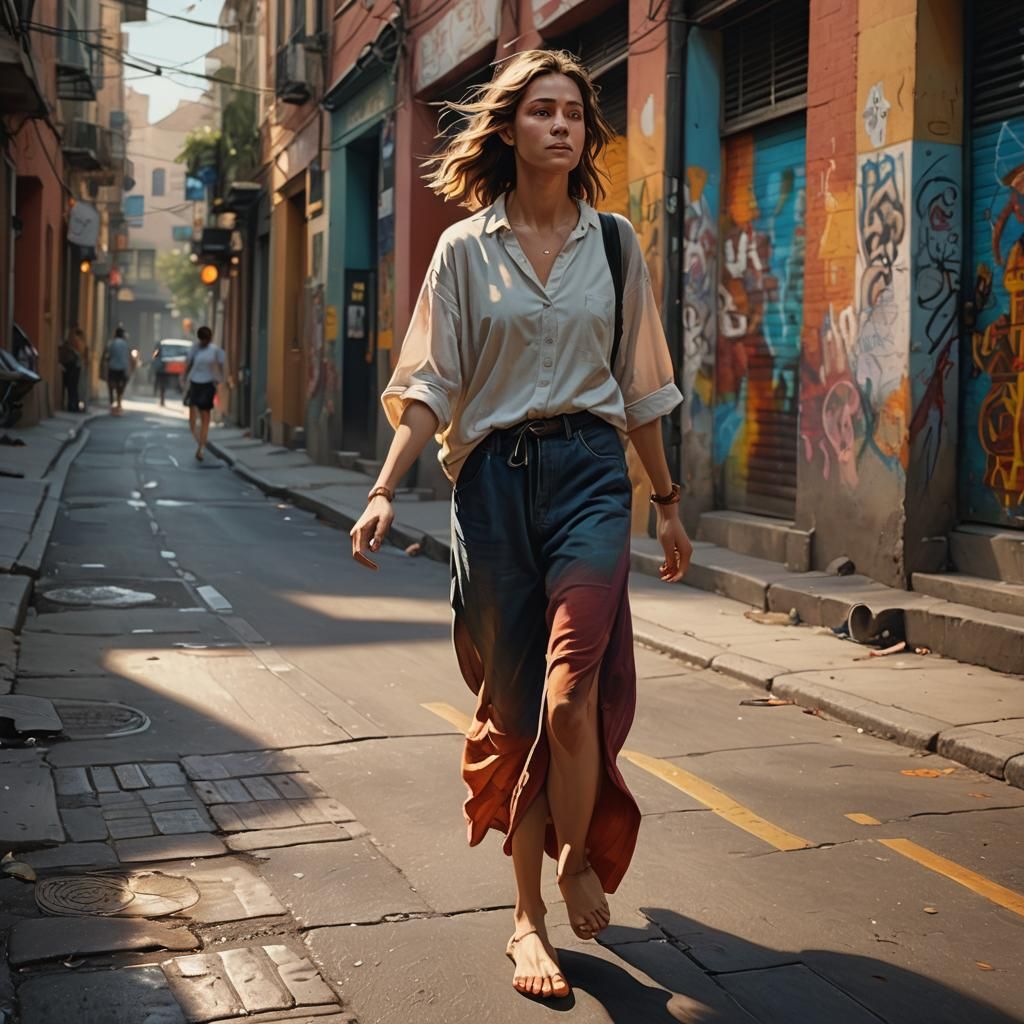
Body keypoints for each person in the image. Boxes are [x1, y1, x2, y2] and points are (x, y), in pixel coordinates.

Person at [348, 50, 693, 1000]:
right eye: (541, 111)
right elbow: (429, 387)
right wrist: (383, 488)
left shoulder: (616, 245)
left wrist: (664, 503)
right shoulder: (464, 250)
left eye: (574, 114)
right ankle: (526, 921)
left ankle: (578, 854)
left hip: (589, 476)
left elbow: (642, 391)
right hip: (493, 489)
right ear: (510, 130)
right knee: (515, 709)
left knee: (570, 695)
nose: (560, 125)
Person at [184, 325, 224, 462]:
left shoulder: (215, 350)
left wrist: (222, 380)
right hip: (195, 383)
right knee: (192, 419)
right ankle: (199, 440)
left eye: (207, 339)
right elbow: (188, 364)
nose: (205, 342)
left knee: (205, 416)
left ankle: (201, 447)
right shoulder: (194, 349)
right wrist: (184, 380)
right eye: (203, 339)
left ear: (210, 338)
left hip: (208, 385)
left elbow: (222, 365)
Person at [104, 326, 133, 415]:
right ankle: (119, 402)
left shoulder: (111, 343)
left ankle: (111, 402)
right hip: (122, 367)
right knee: (121, 385)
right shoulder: (125, 344)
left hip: (112, 366)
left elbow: (107, 355)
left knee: (111, 384)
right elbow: (129, 356)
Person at [58, 327, 83, 412]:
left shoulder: (75, 341)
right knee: (72, 387)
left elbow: (78, 354)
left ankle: (72, 406)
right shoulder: (75, 341)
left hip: (74, 366)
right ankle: (73, 405)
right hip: (74, 366)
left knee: (72, 387)